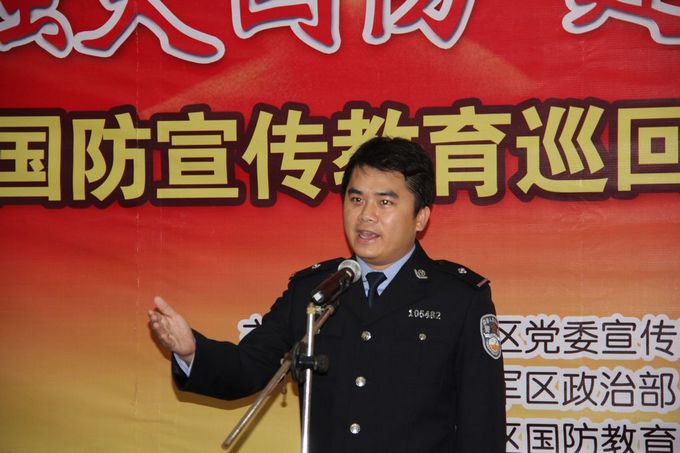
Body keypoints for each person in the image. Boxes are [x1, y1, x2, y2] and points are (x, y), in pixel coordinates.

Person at [148, 136, 506, 453]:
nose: (366, 216)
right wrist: (191, 351)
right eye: (356, 199)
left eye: (385, 203)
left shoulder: (459, 298)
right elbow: (249, 367)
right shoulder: (315, 290)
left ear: (421, 217)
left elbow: (482, 427)